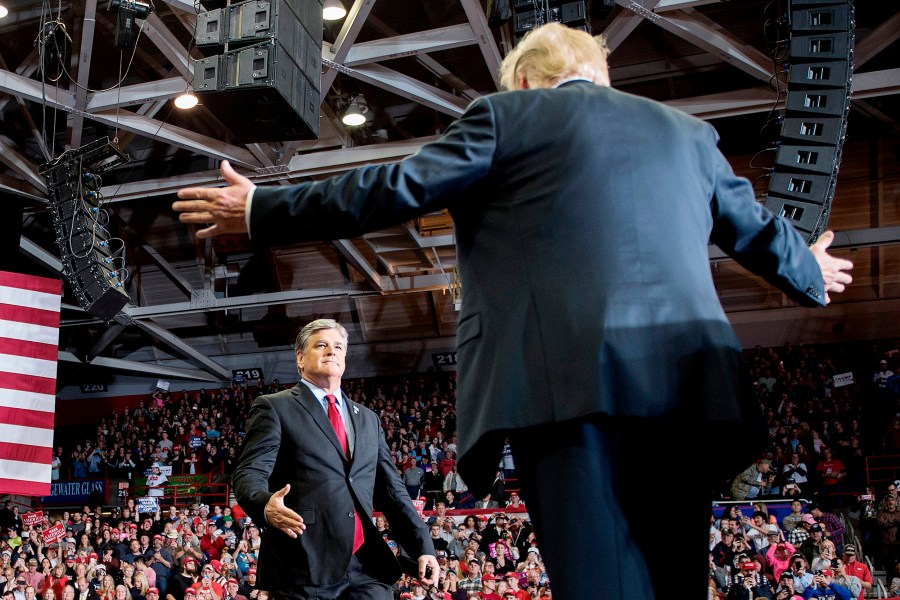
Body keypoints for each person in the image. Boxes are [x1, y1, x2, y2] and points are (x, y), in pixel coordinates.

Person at [173, 22, 854, 599]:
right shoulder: (688, 135)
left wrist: (261, 208)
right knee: (671, 579)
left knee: (597, 581)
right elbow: (759, 233)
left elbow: (395, 186)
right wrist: (811, 270)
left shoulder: (508, 116)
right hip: (687, 394)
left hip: (565, 386)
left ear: (523, 80)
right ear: (600, 75)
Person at [231, 319, 438, 598]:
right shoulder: (274, 407)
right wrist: (264, 504)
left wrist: (422, 547)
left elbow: (392, 491)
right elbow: (248, 473)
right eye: (321, 345)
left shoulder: (368, 419)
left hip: (365, 565)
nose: (332, 351)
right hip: (304, 564)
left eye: (338, 346)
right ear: (301, 358)